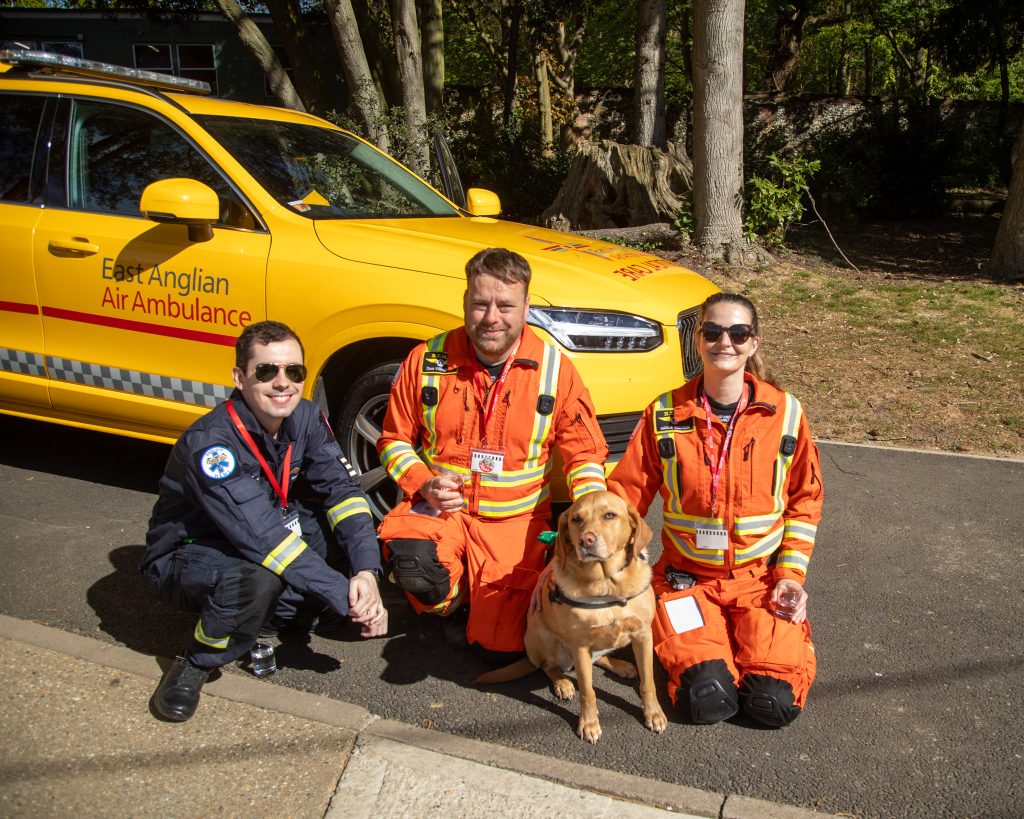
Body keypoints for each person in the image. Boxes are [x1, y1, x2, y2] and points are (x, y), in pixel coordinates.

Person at [142, 320, 387, 722]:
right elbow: (264, 538)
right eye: (266, 371)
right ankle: (197, 658)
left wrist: (366, 572)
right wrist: (343, 594)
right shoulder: (213, 445)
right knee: (258, 579)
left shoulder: (305, 416)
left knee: (353, 536)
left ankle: (269, 617)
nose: (282, 383)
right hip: (193, 553)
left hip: (266, 531)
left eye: (294, 371)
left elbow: (344, 494)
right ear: (240, 377)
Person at [376, 247, 609, 661]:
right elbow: (393, 440)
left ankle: (486, 605)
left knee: (503, 650)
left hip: (514, 524)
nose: (491, 318)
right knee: (414, 564)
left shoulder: (555, 370)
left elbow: (585, 454)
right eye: (480, 304)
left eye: (505, 305)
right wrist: (423, 483)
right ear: (465, 301)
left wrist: (591, 513)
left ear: (525, 307)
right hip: (445, 513)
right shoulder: (426, 360)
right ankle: (457, 596)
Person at [607, 293, 823, 728]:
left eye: (738, 332)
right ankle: (712, 651)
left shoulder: (785, 414)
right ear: (698, 341)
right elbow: (625, 495)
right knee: (706, 698)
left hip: (760, 581)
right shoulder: (664, 414)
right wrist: (593, 549)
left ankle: (756, 647)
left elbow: (805, 502)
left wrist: (789, 578)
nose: (725, 341)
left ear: (754, 343)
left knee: (772, 704)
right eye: (713, 331)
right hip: (685, 580)